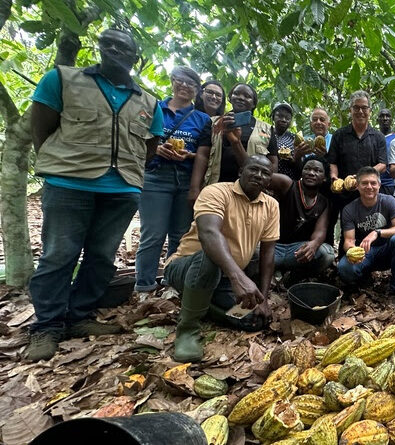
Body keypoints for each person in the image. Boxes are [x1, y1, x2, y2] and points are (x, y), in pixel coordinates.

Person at [26, 28, 164, 361]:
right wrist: (62, 164)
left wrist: (129, 176)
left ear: (135, 58)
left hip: (121, 189)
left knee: (102, 257)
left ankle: (79, 316)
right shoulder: (63, 79)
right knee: (59, 254)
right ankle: (47, 326)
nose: (115, 50)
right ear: (99, 48)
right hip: (69, 184)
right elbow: (41, 128)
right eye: (108, 44)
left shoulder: (148, 102)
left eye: (123, 47)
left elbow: (149, 147)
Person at [165, 155, 279, 362]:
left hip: (224, 278)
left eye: (265, 173)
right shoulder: (216, 192)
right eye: (253, 169)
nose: (259, 175)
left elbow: (267, 254)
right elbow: (209, 234)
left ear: (269, 181)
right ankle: (188, 328)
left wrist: (263, 299)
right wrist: (238, 277)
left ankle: (204, 305)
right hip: (187, 267)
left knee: (253, 320)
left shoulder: (271, 205)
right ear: (240, 171)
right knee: (210, 258)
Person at [135, 66, 212, 296]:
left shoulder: (202, 119)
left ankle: (171, 282)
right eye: (181, 81)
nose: (185, 86)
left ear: (197, 91)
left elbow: (204, 154)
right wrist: (156, 149)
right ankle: (145, 286)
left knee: (180, 234)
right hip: (156, 176)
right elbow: (136, 138)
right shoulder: (154, 108)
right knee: (153, 233)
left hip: (186, 178)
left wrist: (191, 169)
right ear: (172, 81)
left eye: (192, 84)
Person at [326, 91, 388, 250]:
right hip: (345, 192)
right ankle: (344, 256)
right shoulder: (339, 135)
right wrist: (334, 177)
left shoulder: (378, 137)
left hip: (368, 191)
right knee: (345, 228)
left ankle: (369, 256)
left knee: (368, 226)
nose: (360, 111)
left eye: (364, 108)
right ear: (350, 110)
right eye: (356, 107)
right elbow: (332, 162)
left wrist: (361, 178)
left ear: (370, 111)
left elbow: (382, 164)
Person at [337, 167, 395, 295]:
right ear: (357, 186)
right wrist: (353, 251)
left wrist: (377, 232)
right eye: (364, 183)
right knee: (344, 268)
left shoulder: (388, 201)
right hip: (364, 252)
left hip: (386, 250)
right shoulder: (349, 209)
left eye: (373, 183)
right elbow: (348, 241)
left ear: (379, 185)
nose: (369, 187)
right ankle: (362, 280)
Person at [191, 83, 272, 191]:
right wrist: (194, 188)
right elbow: (203, 155)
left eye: (247, 96)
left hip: (249, 191)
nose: (241, 98)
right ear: (230, 98)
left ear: (253, 103)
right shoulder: (213, 122)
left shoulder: (266, 129)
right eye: (236, 94)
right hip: (216, 187)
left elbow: (273, 162)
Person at [268, 155, 335, 284]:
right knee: (250, 251)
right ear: (302, 172)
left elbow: (320, 231)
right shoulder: (287, 184)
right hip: (272, 247)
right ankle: (269, 274)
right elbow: (260, 175)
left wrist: (314, 244)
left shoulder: (324, 202)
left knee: (327, 254)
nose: (311, 173)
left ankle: (293, 278)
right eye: (307, 169)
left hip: (297, 252)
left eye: (317, 170)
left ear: (325, 178)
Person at [378, 108, 395, 195]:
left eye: (387, 116)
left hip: (393, 184)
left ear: (391, 119)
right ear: (377, 120)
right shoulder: (373, 138)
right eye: (382, 116)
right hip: (376, 184)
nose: (385, 118)